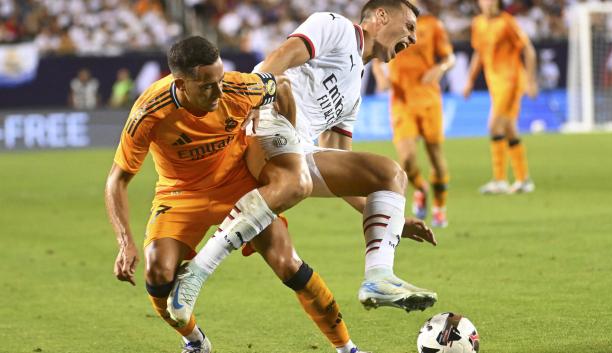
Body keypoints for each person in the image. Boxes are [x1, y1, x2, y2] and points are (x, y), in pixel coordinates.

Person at [168, 0, 439, 329]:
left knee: (389, 174)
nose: (413, 39)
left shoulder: (355, 87)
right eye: (409, 27)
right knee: (298, 183)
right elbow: (281, 57)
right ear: (380, 16)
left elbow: (341, 160)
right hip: (267, 116)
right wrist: (257, 96)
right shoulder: (335, 27)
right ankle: (195, 273)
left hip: (295, 149)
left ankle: (378, 277)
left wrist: (388, 216)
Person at [105, 36, 370, 353]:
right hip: (180, 195)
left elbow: (282, 87)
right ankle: (195, 342)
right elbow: (116, 181)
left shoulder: (238, 87)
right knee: (158, 273)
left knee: (288, 263)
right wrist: (125, 242)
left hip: (239, 186)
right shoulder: (149, 112)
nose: (218, 92)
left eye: (220, 79)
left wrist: (288, 141)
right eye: (207, 86)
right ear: (181, 83)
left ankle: (347, 348)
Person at [372, 0, 455, 227]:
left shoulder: (432, 25)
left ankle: (439, 207)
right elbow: (376, 53)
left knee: (435, 157)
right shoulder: (388, 23)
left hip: (428, 99)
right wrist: (380, 75)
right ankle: (421, 188)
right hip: (401, 100)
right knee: (406, 159)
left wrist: (441, 68)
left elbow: (449, 57)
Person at [463, 0, 538, 194]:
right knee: (510, 128)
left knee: (494, 125)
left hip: (511, 80)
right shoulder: (478, 23)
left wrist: (530, 81)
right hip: (495, 82)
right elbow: (478, 53)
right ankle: (523, 179)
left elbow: (529, 50)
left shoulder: (507, 23)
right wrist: (470, 81)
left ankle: (500, 180)